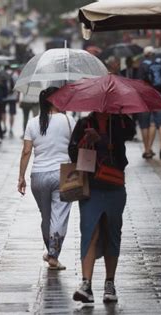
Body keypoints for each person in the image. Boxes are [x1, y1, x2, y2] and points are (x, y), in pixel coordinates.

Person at [68, 112, 135, 304]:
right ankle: (86, 284)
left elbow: (130, 135)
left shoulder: (120, 122)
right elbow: (72, 152)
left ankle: (109, 283)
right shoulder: (84, 123)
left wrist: (104, 139)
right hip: (92, 187)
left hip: (114, 185)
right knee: (90, 231)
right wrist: (84, 141)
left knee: (112, 231)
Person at [18, 87, 75, 270]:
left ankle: (51, 251)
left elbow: (27, 151)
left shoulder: (34, 122)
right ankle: (53, 255)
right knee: (60, 216)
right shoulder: (68, 120)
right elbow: (77, 145)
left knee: (46, 216)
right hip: (63, 172)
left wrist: (21, 177)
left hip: (39, 174)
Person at [137, 46, 161, 159]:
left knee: (145, 124)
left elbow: (138, 84)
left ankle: (147, 149)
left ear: (145, 55)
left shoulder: (143, 64)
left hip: (146, 99)